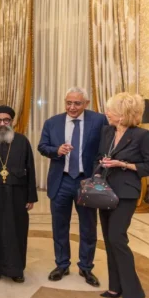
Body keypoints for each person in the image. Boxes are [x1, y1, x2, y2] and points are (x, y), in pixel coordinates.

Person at [97, 93, 149, 298]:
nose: (107, 113)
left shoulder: (143, 135)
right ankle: (115, 287)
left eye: (111, 110)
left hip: (125, 194)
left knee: (117, 238)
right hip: (104, 192)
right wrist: (103, 162)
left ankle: (134, 294)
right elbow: (99, 155)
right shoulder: (107, 131)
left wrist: (124, 164)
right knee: (108, 240)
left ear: (123, 114)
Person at [38, 87, 108, 286]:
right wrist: (56, 150)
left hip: (87, 180)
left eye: (77, 103)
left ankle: (86, 267)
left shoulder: (99, 120)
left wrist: (99, 171)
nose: (72, 107)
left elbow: (106, 147)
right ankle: (62, 264)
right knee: (60, 226)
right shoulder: (52, 122)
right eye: (68, 102)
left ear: (86, 103)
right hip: (61, 181)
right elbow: (42, 146)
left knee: (88, 227)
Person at [0, 105, 37, 283]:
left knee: (16, 231)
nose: (2, 123)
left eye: (6, 120)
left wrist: (31, 197)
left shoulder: (22, 141)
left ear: (12, 121)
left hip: (17, 193)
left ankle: (17, 269)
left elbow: (30, 168)